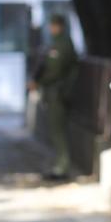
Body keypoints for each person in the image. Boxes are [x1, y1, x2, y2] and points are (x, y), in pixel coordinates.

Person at [29, 14, 78, 180]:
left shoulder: (62, 44)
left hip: (59, 93)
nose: (51, 28)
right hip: (53, 93)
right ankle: (59, 164)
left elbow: (55, 70)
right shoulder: (56, 43)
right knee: (54, 130)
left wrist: (39, 81)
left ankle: (62, 165)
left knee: (58, 131)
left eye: (54, 25)